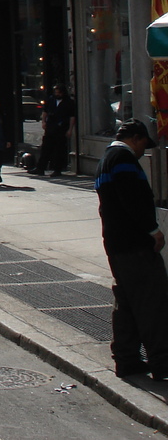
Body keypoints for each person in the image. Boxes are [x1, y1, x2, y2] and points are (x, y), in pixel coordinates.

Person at [95, 119, 168, 379]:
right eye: (142, 145)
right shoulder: (123, 160)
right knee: (153, 303)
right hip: (135, 245)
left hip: (116, 244)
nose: (143, 151)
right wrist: (153, 230)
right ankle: (161, 361)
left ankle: (127, 359)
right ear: (135, 138)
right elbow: (133, 201)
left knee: (126, 304)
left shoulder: (106, 160)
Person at [35, 83, 76, 177]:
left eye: (59, 93)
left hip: (61, 128)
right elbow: (45, 111)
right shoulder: (51, 99)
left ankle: (57, 169)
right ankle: (40, 168)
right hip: (50, 127)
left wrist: (70, 129)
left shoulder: (69, 102)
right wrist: (43, 122)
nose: (57, 94)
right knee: (45, 148)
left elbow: (72, 117)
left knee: (59, 150)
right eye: (56, 92)